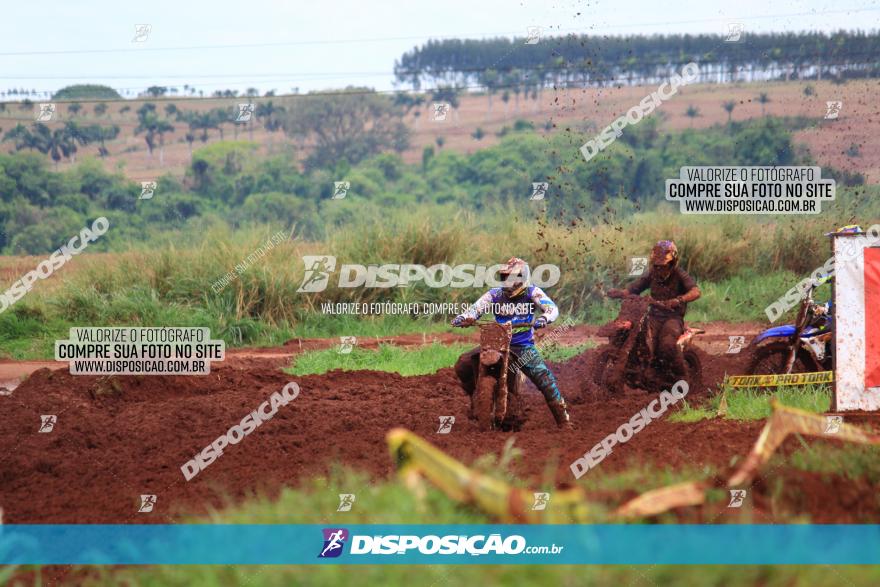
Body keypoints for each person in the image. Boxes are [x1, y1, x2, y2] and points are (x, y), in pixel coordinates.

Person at [451, 257, 572, 429]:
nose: (509, 282)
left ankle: (564, 421)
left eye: (513, 277)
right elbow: (476, 309)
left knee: (544, 378)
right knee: (463, 364)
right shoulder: (495, 294)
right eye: (505, 277)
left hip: (522, 346)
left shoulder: (532, 292)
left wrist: (544, 318)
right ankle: (474, 397)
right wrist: (464, 318)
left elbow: (552, 308)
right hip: (495, 343)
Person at [608, 240, 701, 385]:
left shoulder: (679, 274)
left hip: (672, 318)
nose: (659, 269)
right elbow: (634, 289)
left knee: (667, 345)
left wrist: (679, 300)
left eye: (663, 266)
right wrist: (619, 293)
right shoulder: (652, 274)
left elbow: (696, 291)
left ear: (672, 263)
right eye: (656, 265)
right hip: (653, 316)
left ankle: (683, 378)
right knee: (633, 332)